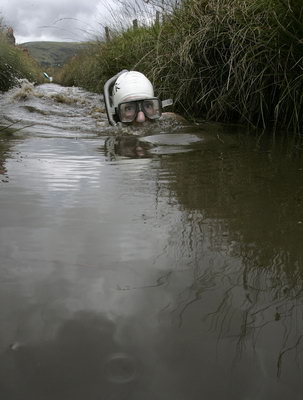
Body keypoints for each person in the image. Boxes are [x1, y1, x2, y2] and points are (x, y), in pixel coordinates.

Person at [103, 70, 176, 126]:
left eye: (148, 106)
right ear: (117, 114)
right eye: (129, 108)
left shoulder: (172, 121)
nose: (141, 118)